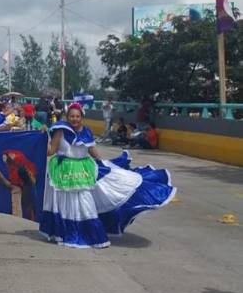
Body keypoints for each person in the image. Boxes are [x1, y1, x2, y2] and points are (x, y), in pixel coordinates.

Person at [40, 103, 176, 248]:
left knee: (85, 202)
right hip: (63, 170)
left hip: (83, 169)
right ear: (67, 117)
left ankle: (87, 233)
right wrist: (41, 138)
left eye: (78, 116)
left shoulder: (86, 131)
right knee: (64, 203)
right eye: (72, 116)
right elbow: (51, 151)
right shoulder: (60, 130)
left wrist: (104, 164)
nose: (75, 119)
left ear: (82, 117)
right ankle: (64, 233)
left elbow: (92, 150)